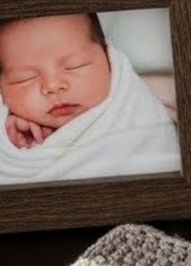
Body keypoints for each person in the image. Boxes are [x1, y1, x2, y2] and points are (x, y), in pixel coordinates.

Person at [0, 12, 180, 183]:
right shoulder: (11, 136)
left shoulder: (150, 112)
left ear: (110, 59)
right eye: (24, 79)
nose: (53, 86)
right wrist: (8, 142)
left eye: (75, 65)